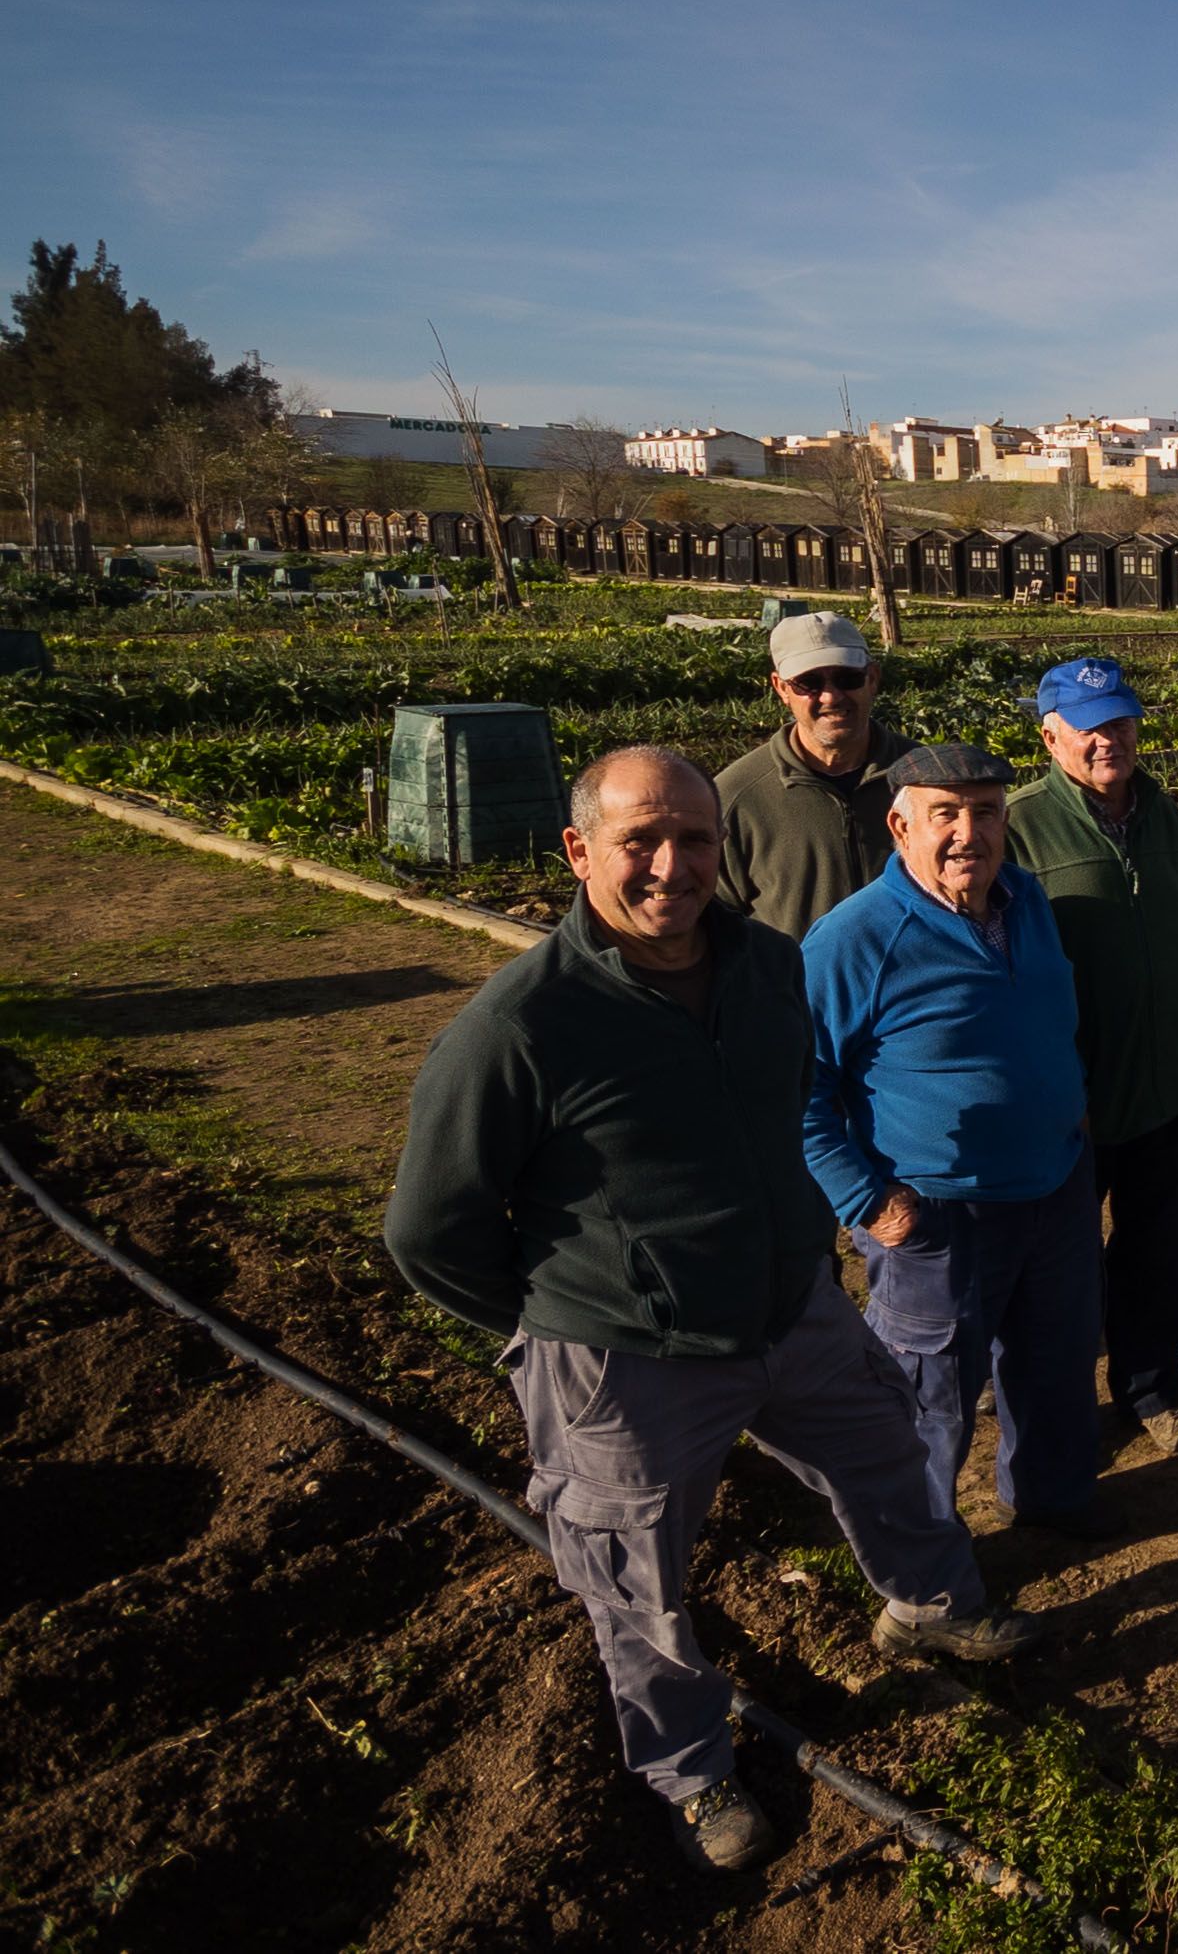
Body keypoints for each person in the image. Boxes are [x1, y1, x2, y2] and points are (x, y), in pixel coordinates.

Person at [384, 745, 1041, 1876]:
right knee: (634, 1575)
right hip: (625, 1363)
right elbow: (427, 1233)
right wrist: (563, 1315)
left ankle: (928, 1604)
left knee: (889, 1451)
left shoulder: (766, 967)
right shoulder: (522, 1027)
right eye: (641, 839)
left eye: (695, 838)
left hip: (793, 1310)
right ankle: (691, 1771)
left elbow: (789, 1104)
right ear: (580, 850)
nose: (673, 865)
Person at [801, 742, 1113, 1541]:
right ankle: (922, 1562)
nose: (967, 832)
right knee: (928, 1396)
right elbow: (798, 1091)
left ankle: (1052, 1506)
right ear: (900, 825)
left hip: (1056, 1187)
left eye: (985, 812)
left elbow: (1051, 1019)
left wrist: (1069, 1110)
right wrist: (865, 1200)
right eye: (945, 814)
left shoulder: (1027, 902)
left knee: (1056, 1368)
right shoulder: (854, 939)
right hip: (940, 1216)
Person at [1005, 657, 1178, 1456]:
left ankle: (1152, 1389)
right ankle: (1056, 1420)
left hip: (1162, 1082)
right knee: (1058, 1269)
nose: (1109, 740)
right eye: (1089, 727)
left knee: (1158, 1249)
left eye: (1121, 722)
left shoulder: (1169, 821)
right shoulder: (1021, 825)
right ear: (1050, 737)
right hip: (1071, 1097)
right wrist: (1044, 1080)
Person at [715, 611, 912, 937]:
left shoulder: (926, 778)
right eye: (809, 683)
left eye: (848, 678)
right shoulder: (735, 798)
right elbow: (714, 926)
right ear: (781, 688)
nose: (832, 696)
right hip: (793, 988)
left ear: (873, 678)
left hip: (916, 985)